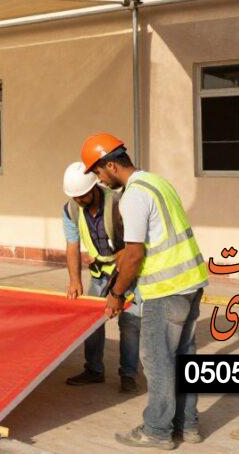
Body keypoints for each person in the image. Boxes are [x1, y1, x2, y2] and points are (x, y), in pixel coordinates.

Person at [82, 133, 209, 450]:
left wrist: (116, 295)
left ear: (111, 165)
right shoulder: (158, 182)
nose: (99, 180)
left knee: (156, 360)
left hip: (165, 288)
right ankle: (188, 426)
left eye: (98, 172)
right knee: (183, 357)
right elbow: (149, 242)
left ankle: (156, 430)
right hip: (191, 282)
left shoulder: (133, 196)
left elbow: (136, 254)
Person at [59, 161, 141, 393]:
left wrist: (118, 288)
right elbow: (72, 245)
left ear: (95, 186)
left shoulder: (118, 204)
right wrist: (75, 279)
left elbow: (131, 247)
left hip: (126, 270)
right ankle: (94, 370)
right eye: (76, 197)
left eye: (83, 196)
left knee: (130, 323)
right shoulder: (70, 210)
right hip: (98, 273)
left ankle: (128, 375)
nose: (80, 200)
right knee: (92, 322)